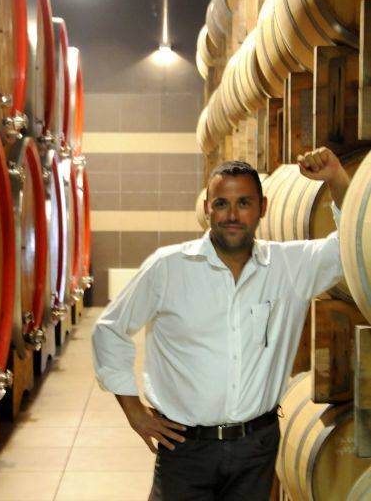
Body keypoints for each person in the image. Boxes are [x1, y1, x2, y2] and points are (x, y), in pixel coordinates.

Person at [92, 147, 350, 501]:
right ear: (207, 208)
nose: (232, 215)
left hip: (255, 448)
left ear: (263, 207)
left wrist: (336, 178)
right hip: (185, 448)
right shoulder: (168, 267)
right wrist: (134, 411)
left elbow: (352, 244)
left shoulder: (290, 267)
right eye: (221, 204)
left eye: (244, 203)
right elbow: (109, 329)